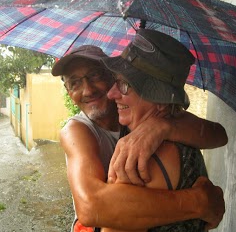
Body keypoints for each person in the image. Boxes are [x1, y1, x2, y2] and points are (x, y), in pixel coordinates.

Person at [51, 45, 226, 232]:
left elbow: (219, 134)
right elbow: (89, 207)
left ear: (112, 77)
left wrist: (163, 127)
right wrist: (198, 202)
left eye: (95, 75)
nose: (87, 90)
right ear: (68, 92)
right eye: (74, 83)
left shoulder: (143, 114)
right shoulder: (76, 131)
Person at [105, 28, 213, 231]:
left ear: (160, 101)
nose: (111, 94)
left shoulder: (141, 158)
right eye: (114, 82)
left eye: (124, 85)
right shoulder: (185, 139)